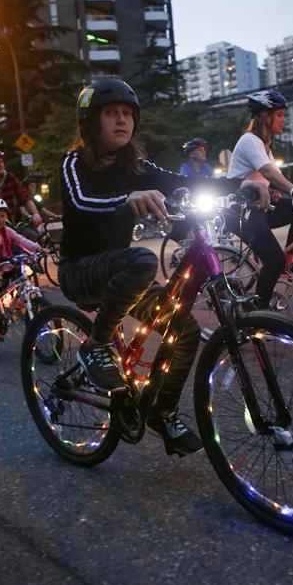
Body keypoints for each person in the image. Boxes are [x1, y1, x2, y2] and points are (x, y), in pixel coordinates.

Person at [58, 78, 262, 456]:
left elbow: (181, 181)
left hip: (122, 277)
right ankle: (96, 344)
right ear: (90, 121)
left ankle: (160, 410)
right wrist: (125, 199)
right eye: (110, 113)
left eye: (127, 114)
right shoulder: (73, 163)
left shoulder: (136, 165)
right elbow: (83, 201)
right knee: (144, 259)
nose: (122, 121)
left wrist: (240, 184)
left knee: (184, 328)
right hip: (80, 272)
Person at [226, 89, 293, 307]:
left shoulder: (265, 145)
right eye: (279, 115)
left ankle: (289, 262)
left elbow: (268, 179)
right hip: (241, 211)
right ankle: (256, 315)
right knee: (272, 261)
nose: (283, 120)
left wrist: (284, 193)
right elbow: (269, 172)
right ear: (264, 116)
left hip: (259, 205)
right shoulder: (249, 141)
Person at [0, 197, 43, 341]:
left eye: (2, 216)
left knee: (16, 277)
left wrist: (37, 247)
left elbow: (21, 241)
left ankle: (12, 300)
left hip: (4, 264)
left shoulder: (8, 231)